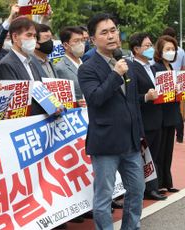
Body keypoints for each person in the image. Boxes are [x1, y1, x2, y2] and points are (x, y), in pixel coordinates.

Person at [78, 13, 145, 230]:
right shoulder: (87, 68)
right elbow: (95, 99)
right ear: (93, 39)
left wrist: (139, 133)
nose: (111, 36)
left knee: (137, 189)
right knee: (104, 196)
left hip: (131, 142)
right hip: (106, 143)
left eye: (113, 30)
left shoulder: (126, 62)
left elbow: (132, 101)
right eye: (104, 32)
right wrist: (115, 74)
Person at [129, 32, 167, 200]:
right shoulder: (132, 69)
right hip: (144, 119)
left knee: (156, 154)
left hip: (157, 117)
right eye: (147, 46)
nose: (151, 48)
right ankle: (147, 189)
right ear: (136, 49)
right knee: (145, 156)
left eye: (151, 45)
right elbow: (130, 97)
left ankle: (154, 186)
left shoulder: (151, 67)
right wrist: (146, 97)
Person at [0, 17, 50, 115]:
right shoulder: (7, 64)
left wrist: (53, 106)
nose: (33, 39)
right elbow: (17, 102)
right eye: (29, 35)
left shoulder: (33, 60)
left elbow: (43, 88)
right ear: (15, 37)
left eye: (34, 36)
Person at [152, 35, 180, 193]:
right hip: (160, 114)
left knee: (168, 150)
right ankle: (157, 184)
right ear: (160, 50)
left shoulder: (172, 68)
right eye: (167, 49)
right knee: (159, 151)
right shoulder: (155, 67)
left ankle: (167, 182)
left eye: (173, 49)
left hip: (171, 113)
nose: (171, 52)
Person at [162, 27, 184, 143]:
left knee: (170, 108)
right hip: (177, 80)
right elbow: (183, 68)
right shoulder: (181, 51)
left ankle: (171, 132)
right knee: (176, 109)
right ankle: (179, 135)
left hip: (168, 80)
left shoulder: (164, 50)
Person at [55, 26, 86, 107]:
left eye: (82, 40)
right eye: (76, 41)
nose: (81, 44)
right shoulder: (59, 68)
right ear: (65, 45)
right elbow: (60, 98)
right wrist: (75, 103)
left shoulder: (86, 64)